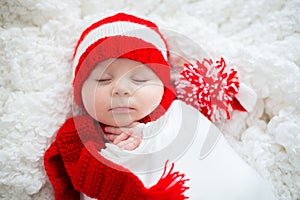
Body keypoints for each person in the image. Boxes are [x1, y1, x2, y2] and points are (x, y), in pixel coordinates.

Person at [44, 13, 277, 200]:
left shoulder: (176, 111)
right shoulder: (79, 134)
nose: (121, 90)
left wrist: (151, 134)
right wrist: (119, 154)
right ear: (80, 92)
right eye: (103, 80)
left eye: (139, 80)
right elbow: (81, 177)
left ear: (162, 86)